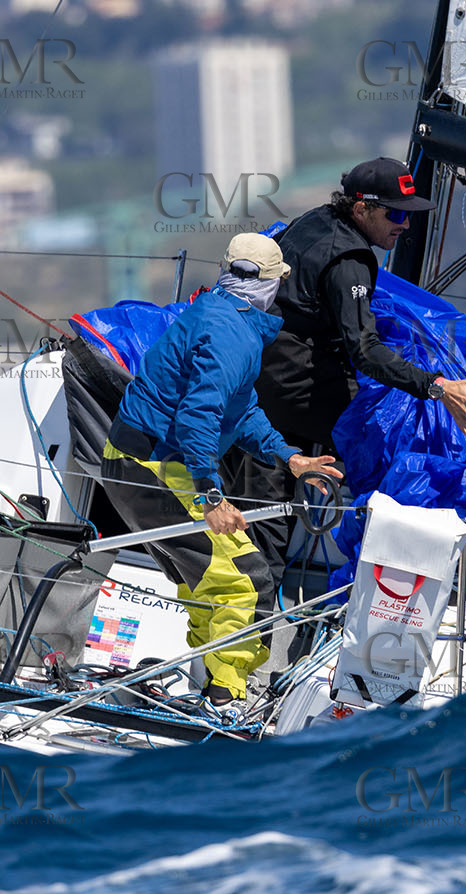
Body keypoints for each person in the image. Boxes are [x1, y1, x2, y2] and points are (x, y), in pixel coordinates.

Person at [101, 232, 342, 706]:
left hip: (138, 464)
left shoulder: (219, 315)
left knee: (210, 583)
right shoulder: (232, 333)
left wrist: (288, 456)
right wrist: (213, 496)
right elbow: (197, 416)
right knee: (246, 580)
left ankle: (213, 686)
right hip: (152, 469)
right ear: (271, 286)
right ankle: (226, 699)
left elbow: (241, 408)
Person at [230, 157, 466, 589]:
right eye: (396, 213)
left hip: (258, 374)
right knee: (389, 451)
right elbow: (365, 351)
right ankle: (382, 581)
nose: (404, 225)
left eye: (410, 214)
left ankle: (259, 605)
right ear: (361, 209)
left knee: (263, 508)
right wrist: (436, 386)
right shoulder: (351, 259)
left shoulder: (315, 220)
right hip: (296, 388)